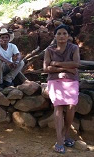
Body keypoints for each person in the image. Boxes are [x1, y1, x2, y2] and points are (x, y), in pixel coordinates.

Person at [43, 24, 80, 154]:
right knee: (58, 107)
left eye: (64, 33)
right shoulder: (49, 50)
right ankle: (59, 140)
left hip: (71, 80)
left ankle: (66, 134)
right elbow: (46, 68)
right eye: (59, 34)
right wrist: (65, 68)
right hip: (54, 80)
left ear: (68, 35)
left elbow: (76, 64)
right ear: (55, 36)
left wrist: (56, 64)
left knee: (71, 106)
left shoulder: (74, 48)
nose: (62, 36)